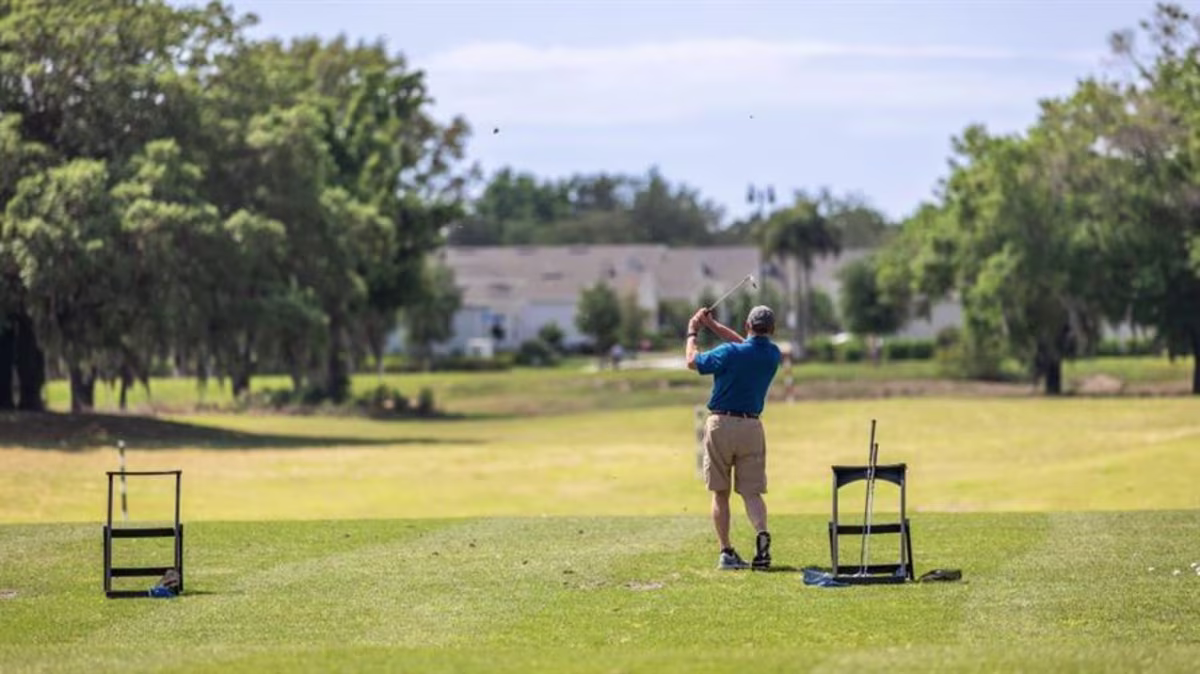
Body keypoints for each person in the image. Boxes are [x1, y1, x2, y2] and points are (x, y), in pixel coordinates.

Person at [686, 305, 782, 570]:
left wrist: (693, 332)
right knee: (752, 492)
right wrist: (714, 326)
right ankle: (761, 535)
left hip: (721, 424)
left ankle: (727, 552)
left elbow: (692, 361)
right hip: (752, 427)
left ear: (747, 325)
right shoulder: (773, 354)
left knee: (720, 493)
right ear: (772, 330)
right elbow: (746, 346)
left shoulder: (730, 352)